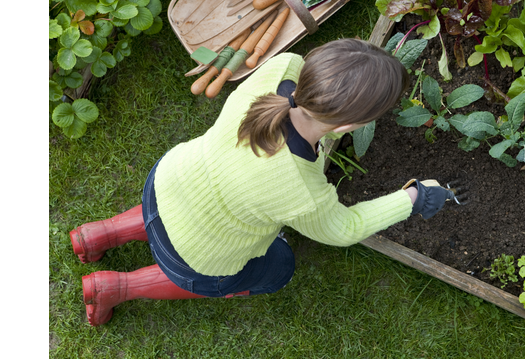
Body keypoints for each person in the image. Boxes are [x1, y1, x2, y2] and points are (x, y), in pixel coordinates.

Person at [70, 38, 455, 326]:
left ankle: (99, 234)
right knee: (278, 267)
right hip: (193, 256)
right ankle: (116, 288)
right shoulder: (301, 190)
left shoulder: (282, 68)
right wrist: (413, 198)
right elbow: (344, 228)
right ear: (347, 128)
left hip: (167, 181)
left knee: (183, 208)